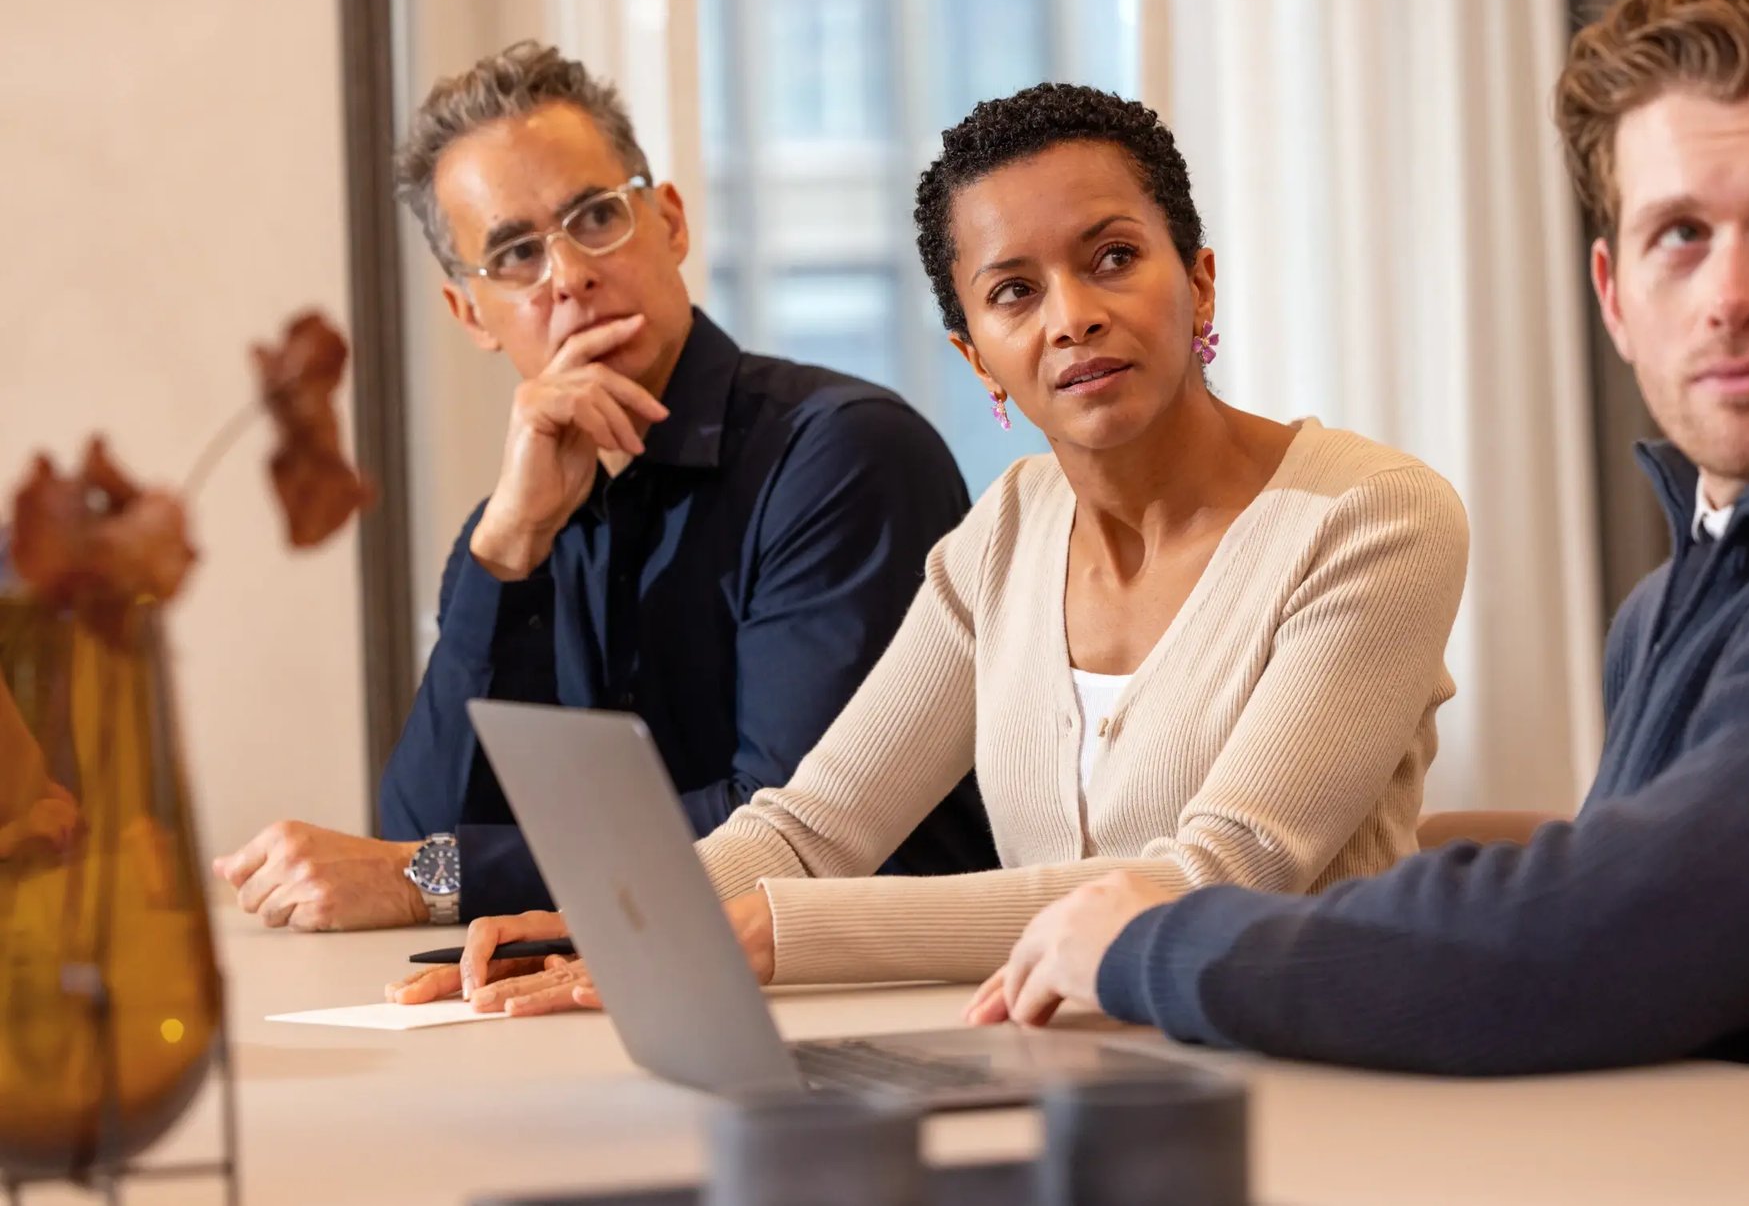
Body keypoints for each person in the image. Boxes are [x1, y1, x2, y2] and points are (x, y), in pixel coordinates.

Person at [975, 0, 1749, 1099]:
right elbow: (1663, 888)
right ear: (1613, 298)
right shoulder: (1684, 591)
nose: (1729, 295)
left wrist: (1149, 939)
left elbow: (1585, 945)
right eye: (1678, 235)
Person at [393, 82, 1470, 1012]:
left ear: (1197, 282)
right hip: (1053, 1065)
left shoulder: (1371, 518)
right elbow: (814, 826)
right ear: (974, 354)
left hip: (1301, 1064)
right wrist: (619, 918)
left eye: (1112, 258)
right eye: (1013, 291)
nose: (1070, 317)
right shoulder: (998, 538)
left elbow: (1218, 875)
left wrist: (782, 929)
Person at [211, 42, 996, 931]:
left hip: (887, 1013)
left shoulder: (845, 454)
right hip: (632, 1002)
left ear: (670, 222)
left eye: (594, 217)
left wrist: (430, 874)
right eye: (513, 253)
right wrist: (505, 549)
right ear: (469, 312)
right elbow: (424, 834)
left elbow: (791, 828)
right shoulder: (517, 522)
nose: (570, 275)